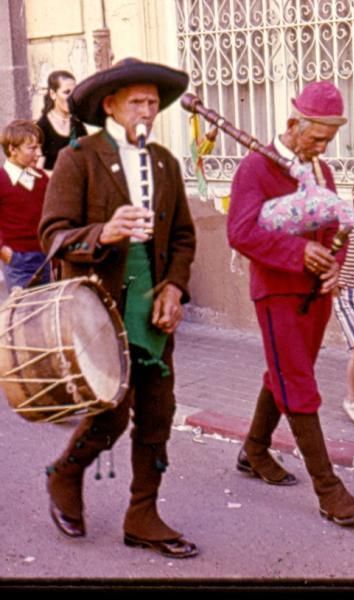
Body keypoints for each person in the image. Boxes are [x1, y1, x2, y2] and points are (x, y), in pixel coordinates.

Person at [39, 58, 198, 558]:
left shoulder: (166, 162)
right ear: (111, 106)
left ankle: (143, 515)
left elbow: (184, 238)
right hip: (99, 307)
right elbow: (53, 235)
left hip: (153, 310)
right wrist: (103, 233)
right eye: (138, 101)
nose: (148, 109)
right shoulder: (79, 157)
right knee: (111, 414)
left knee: (158, 413)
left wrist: (174, 287)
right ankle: (66, 474)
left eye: (154, 101)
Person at [227, 81, 354, 526]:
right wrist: (298, 253)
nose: (323, 147)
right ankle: (328, 489)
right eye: (317, 137)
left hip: (315, 293)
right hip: (276, 291)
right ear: (292, 125)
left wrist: (334, 265)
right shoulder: (256, 168)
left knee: (284, 372)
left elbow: (334, 225)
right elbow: (241, 232)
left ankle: (253, 449)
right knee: (298, 382)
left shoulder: (320, 171)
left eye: (329, 139)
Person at [0, 119, 50, 290]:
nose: (39, 153)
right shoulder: (1, 180)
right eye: (32, 148)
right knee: (25, 311)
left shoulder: (41, 178)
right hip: (18, 261)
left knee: (47, 310)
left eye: (39, 147)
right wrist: (5, 253)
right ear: (12, 149)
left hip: (45, 259)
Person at [333, 171, 354, 425]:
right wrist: (332, 277)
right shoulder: (343, 223)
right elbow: (326, 252)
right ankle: (353, 400)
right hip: (347, 296)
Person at [37, 70, 87, 171]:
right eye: (66, 92)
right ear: (53, 94)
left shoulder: (77, 124)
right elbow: (38, 171)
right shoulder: (42, 127)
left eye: (74, 92)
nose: (72, 98)